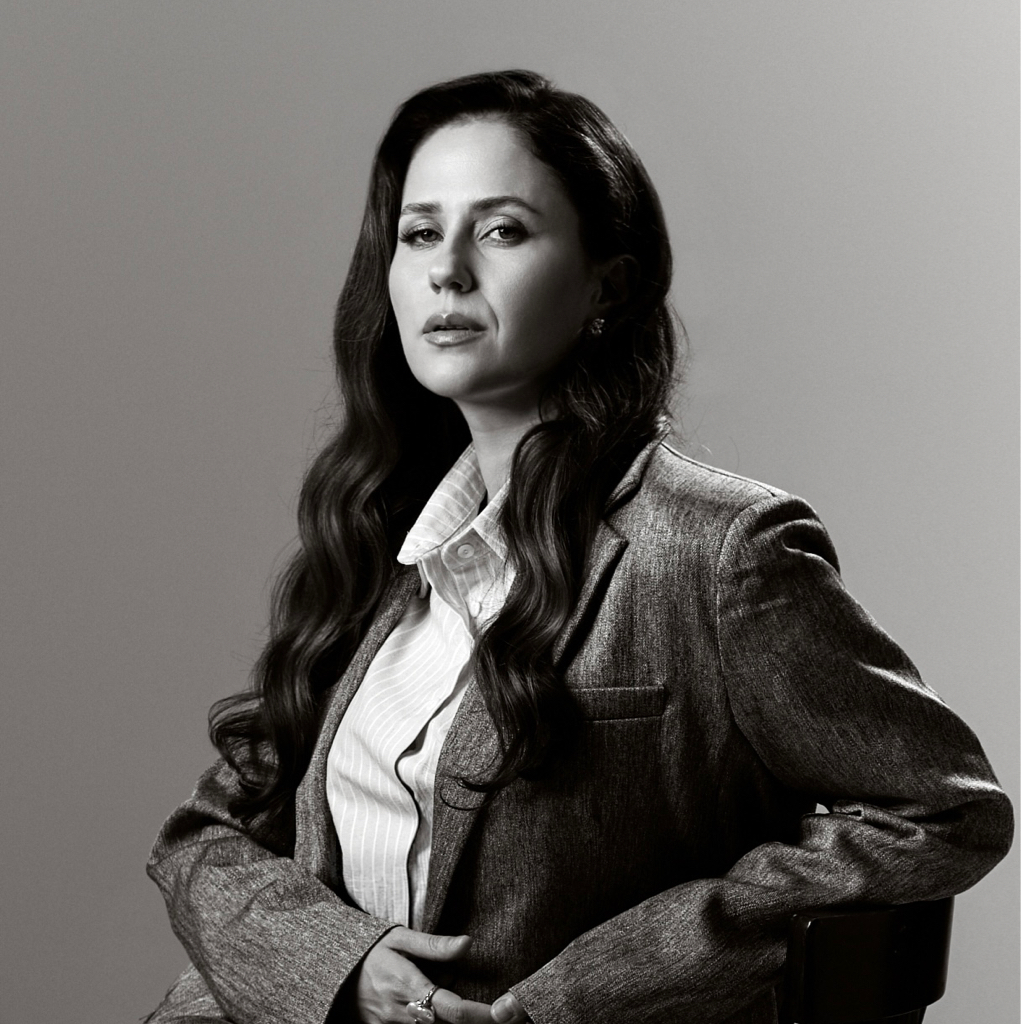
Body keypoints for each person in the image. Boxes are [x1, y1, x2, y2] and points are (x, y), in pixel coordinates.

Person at [145, 70, 1012, 1024]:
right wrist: (340, 968)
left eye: (501, 231)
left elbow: (942, 810)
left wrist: (580, 994)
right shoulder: (380, 539)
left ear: (608, 282)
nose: (447, 272)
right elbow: (205, 835)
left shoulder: (719, 550)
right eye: (420, 233)